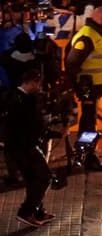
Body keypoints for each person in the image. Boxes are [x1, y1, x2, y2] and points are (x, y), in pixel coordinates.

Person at [63, 5, 102, 171]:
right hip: (88, 88)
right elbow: (71, 62)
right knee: (88, 124)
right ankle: (86, 157)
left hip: (94, 88)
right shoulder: (87, 36)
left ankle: (86, 155)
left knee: (89, 123)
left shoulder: (97, 34)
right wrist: (76, 85)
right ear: (93, 17)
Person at [6, 67, 55, 227]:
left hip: (18, 147)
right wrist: (45, 129)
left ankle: (38, 212)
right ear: (33, 82)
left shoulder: (13, 97)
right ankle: (26, 212)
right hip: (26, 147)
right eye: (38, 84)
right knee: (44, 177)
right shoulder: (23, 100)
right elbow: (29, 124)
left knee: (33, 179)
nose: (39, 87)